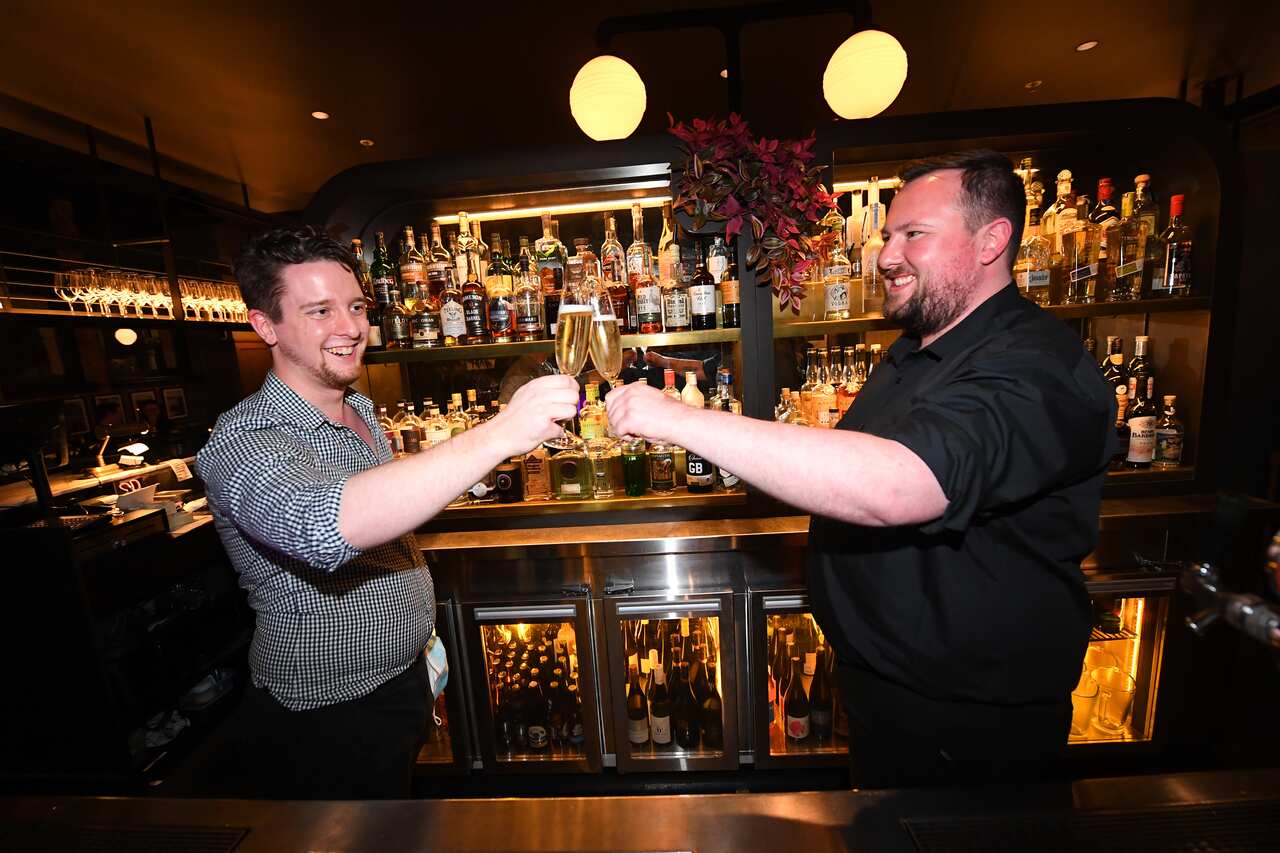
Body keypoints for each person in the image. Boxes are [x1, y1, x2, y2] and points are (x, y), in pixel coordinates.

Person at [607, 151, 1116, 788]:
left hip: (971, 725)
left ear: (992, 241)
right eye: (887, 235)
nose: (886, 256)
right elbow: (854, 465)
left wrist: (679, 420)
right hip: (891, 702)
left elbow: (899, 485)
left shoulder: (1034, 365)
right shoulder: (915, 351)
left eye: (914, 235)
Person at [194, 226, 577, 798]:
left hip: (403, 679)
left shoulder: (360, 408)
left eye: (355, 307)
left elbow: (388, 518)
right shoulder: (245, 439)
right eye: (319, 311)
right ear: (265, 325)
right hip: (327, 711)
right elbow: (323, 527)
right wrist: (500, 433)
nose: (350, 328)